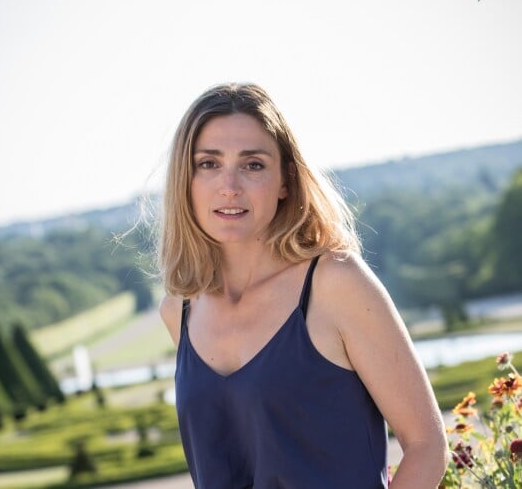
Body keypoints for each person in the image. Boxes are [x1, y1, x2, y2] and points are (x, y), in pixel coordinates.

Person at [158, 83, 449, 488]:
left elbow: (427, 445)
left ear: (285, 181)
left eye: (253, 164)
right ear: (184, 180)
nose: (229, 185)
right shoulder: (180, 311)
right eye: (208, 163)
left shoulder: (334, 284)